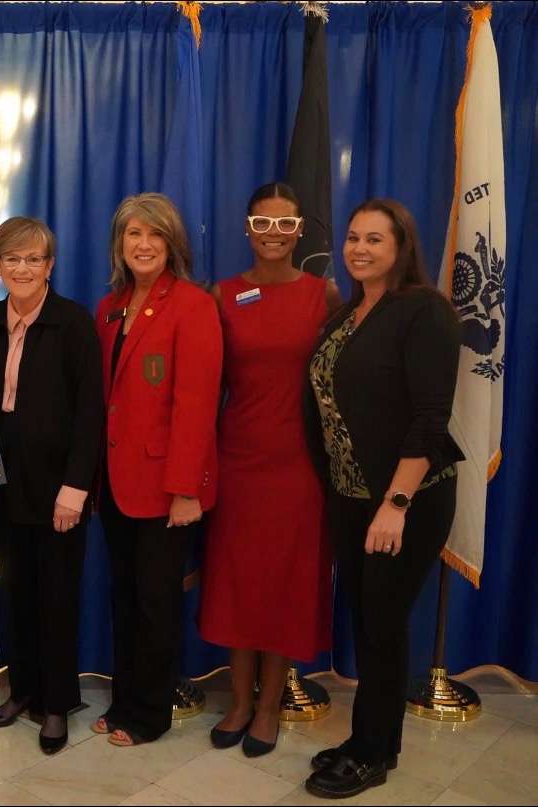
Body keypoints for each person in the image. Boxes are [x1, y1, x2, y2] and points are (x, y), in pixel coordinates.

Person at [302, 199, 463, 799]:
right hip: (351, 493)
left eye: (374, 239)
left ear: (402, 247)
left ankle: (373, 753)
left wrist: (395, 504)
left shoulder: (424, 311)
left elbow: (430, 417)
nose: (360, 249)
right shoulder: (349, 312)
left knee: (384, 626)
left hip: (404, 499)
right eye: (353, 238)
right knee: (368, 622)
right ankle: (366, 739)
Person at [198, 183, 342, 756]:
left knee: (283, 583)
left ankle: (267, 707)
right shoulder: (223, 294)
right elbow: (206, 383)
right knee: (237, 581)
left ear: (301, 230)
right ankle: (238, 701)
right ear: (247, 228)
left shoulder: (323, 294)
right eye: (263, 223)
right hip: (237, 459)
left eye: (285, 224)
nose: (274, 235)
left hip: (299, 464)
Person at [92, 193, 223, 747]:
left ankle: (149, 714)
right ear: (119, 244)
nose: (143, 244)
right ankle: (124, 700)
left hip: (167, 487)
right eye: (133, 234)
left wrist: (185, 489)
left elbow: (197, 404)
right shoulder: (110, 307)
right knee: (124, 598)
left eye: (155, 235)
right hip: (116, 483)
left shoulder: (193, 305)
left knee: (156, 602)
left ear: (173, 245)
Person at [0, 217, 103, 755]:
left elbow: (91, 413)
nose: (23, 268)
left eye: (34, 259)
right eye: (12, 258)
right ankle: (22, 690)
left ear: (50, 265)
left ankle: (56, 703)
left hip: (58, 491)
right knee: (14, 593)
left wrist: (76, 487)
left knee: (56, 595)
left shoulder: (73, 323)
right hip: (3, 485)